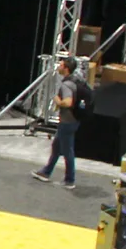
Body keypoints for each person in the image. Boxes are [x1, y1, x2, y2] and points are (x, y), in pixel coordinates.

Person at [33, 57, 87, 189]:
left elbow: (68, 102)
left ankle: (70, 180)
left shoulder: (67, 85)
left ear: (66, 69)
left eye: (61, 65)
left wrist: (57, 100)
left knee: (67, 150)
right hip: (73, 120)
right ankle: (46, 172)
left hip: (68, 121)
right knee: (56, 146)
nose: (59, 66)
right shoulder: (76, 80)